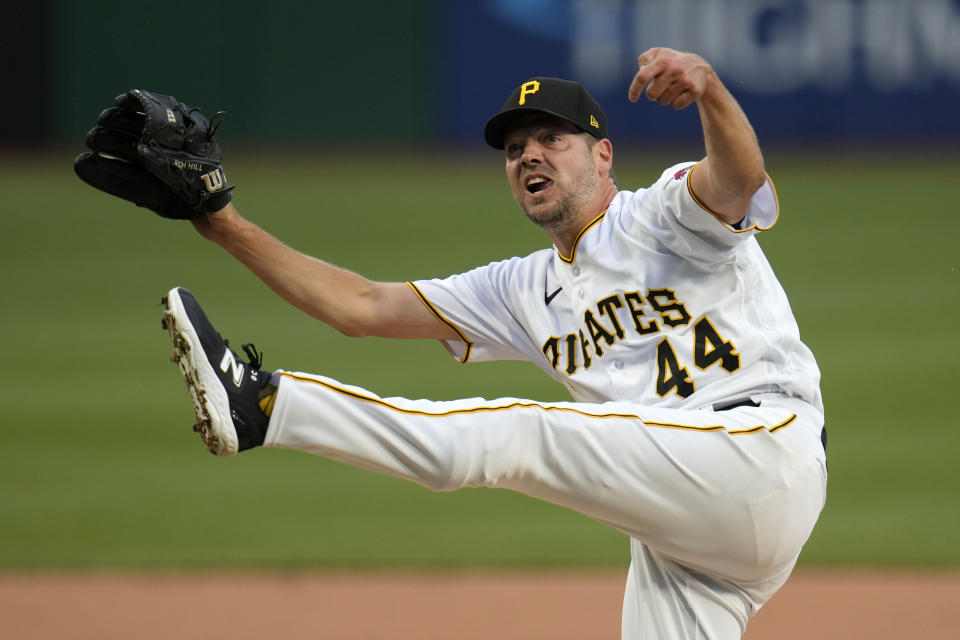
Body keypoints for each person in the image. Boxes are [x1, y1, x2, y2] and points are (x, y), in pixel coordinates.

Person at [161, 47, 827, 639]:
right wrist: (224, 225)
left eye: (550, 138)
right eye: (514, 149)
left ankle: (269, 405)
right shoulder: (521, 289)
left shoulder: (663, 213)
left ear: (603, 154)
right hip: (696, 541)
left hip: (763, 449)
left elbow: (737, 179)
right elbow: (362, 306)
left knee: (517, 433)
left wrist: (709, 90)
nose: (528, 155)